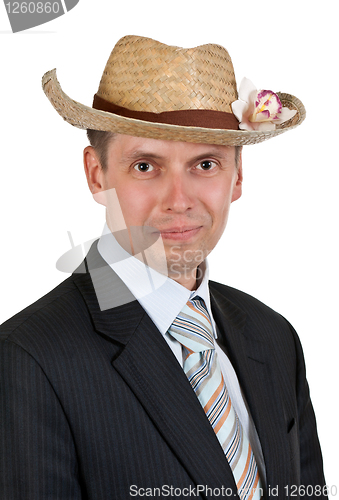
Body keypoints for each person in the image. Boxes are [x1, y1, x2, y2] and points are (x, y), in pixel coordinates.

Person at [0, 35, 327, 499]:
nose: (179, 201)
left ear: (238, 176)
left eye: (206, 164)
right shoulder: (28, 357)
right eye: (145, 167)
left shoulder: (273, 336)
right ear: (97, 174)